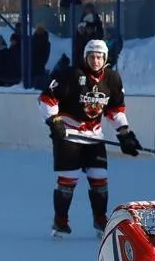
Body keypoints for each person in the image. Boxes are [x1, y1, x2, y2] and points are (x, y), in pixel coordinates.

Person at [40, 36, 140, 237]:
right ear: (85, 57)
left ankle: (100, 218)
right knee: (69, 178)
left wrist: (124, 133)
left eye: (99, 57)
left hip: (94, 136)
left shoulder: (112, 79)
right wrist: (54, 121)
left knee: (99, 177)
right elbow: (47, 98)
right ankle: (60, 220)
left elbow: (115, 110)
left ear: (105, 59)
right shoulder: (70, 75)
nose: (95, 61)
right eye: (92, 56)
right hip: (69, 134)